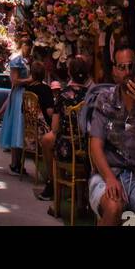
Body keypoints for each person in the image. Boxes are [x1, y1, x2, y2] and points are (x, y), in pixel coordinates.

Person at [87, 44, 135, 226]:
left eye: (131, 66)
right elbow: (95, 146)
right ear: (115, 71)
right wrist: (109, 178)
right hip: (108, 173)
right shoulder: (105, 100)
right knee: (114, 208)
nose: (127, 72)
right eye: (122, 67)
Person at [37, 53, 90, 203]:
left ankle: (52, 181)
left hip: (67, 148)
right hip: (89, 149)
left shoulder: (63, 95)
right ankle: (79, 197)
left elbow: (54, 128)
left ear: (69, 73)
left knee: (47, 140)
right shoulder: (92, 96)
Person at [0, 33, 31, 173]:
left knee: (23, 129)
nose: (28, 48)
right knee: (17, 126)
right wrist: (29, 80)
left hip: (24, 95)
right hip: (18, 95)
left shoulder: (25, 61)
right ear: (21, 45)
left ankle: (19, 163)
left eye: (29, 45)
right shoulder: (17, 60)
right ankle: (14, 163)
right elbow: (14, 81)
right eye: (26, 45)